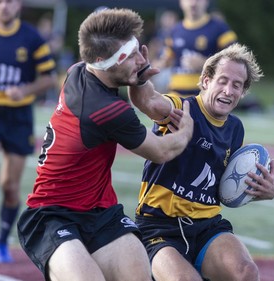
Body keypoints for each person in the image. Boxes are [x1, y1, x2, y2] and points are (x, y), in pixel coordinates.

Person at [17, 8, 193, 281]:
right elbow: (161, 151)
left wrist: (140, 75)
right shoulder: (105, 110)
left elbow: (143, 98)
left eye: (137, 48)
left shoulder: (79, 70)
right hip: (52, 214)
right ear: (102, 61)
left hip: (101, 212)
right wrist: (187, 130)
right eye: (129, 56)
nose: (139, 59)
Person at [128, 43, 274, 281]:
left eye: (236, 85)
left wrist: (262, 190)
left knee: (246, 273)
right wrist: (139, 79)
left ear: (242, 92)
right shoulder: (183, 108)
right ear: (206, 81)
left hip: (207, 226)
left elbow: (226, 189)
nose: (228, 90)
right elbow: (149, 102)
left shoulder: (235, 129)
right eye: (223, 80)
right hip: (159, 227)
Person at [0, 0, 57, 263]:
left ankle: (2, 241)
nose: (4, 6)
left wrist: (24, 91)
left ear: (19, 6)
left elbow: (50, 77)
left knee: (11, 187)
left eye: (10, 1)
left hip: (19, 118)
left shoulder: (32, 37)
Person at [154, 0, 238, 97]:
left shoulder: (220, 28)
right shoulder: (175, 30)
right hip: (176, 95)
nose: (193, 3)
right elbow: (166, 60)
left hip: (205, 96)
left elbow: (236, 61)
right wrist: (151, 67)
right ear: (181, 2)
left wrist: (206, 63)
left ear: (206, 2)